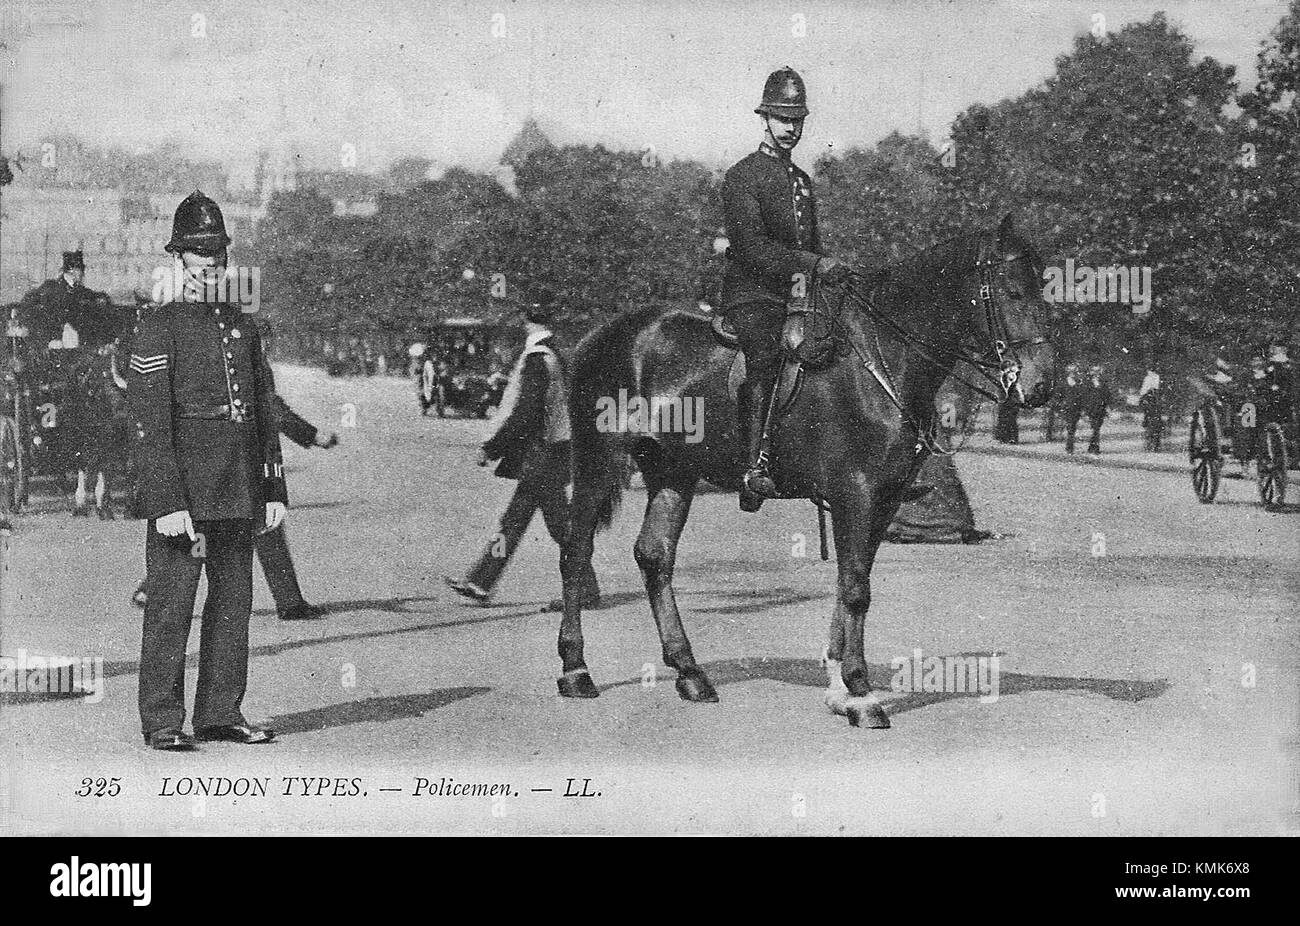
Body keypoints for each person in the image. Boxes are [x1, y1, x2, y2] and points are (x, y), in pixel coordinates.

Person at [127, 190, 286, 751]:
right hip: (186, 493)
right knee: (172, 605)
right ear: (178, 261)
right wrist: (166, 500)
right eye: (199, 258)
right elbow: (148, 423)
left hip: (237, 488)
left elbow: (263, 409)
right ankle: (162, 719)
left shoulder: (242, 328)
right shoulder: (158, 327)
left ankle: (220, 711)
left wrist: (272, 486)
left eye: (217, 256)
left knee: (232, 602)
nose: (209, 268)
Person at [720, 66, 852, 512]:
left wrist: (830, 273)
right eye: (783, 119)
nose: (791, 128)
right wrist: (815, 263)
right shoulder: (742, 177)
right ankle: (753, 466)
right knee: (766, 353)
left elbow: (810, 245)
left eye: (797, 120)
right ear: (765, 119)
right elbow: (753, 248)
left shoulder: (802, 183)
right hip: (753, 295)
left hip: (798, 294)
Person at [131, 371, 340, 620]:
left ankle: (152, 587)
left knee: (206, 529)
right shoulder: (244, 352)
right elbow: (270, 407)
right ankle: (290, 602)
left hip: (204, 454)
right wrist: (312, 435)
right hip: (239, 456)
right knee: (257, 527)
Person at [445, 292, 599, 607]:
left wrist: (492, 448)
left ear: (524, 320)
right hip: (557, 449)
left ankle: (585, 590)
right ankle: (480, 581)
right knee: (523, 521)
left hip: (542, 453)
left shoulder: (536, 358)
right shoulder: (557, 352)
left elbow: (526, 413)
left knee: (553, 526)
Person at [1081, 363, 1112, 455]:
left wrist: (1107, 406)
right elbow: (1085, 396)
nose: (1096, 373)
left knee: (1097, 428)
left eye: (1098, 371)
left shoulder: (1103, 382)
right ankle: (1094, 447)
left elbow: (1107, 394)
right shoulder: (1087, 382)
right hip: (1091, 408)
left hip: (1100, 408)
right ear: (1091, 372)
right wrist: (1085, 408)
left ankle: (1093, 446)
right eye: (1094, 371)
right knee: (1095, 427)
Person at [1137, 369, 1166, 452]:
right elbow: (1143, 392)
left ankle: (1153, 445)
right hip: (1151, 407)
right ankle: (1152, 444)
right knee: (1152, 426)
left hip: (1153, 407)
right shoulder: (1150, 378)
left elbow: (1143, 392)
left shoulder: (1155, 378)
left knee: (1154, 426)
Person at [1059, 363, 1085, 454]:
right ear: (1068, 372)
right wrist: (1061, 406)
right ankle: (1069, 447)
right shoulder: (1063, 383)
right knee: (1070, 427)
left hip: (1076, 408)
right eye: (1071, 372)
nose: (1073, 373)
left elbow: (1082, 395)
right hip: (1067, 408)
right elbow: (1059, 396)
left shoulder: (1078, 382)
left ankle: (1070, 446)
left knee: (1072, 427)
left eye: (1074, 372)